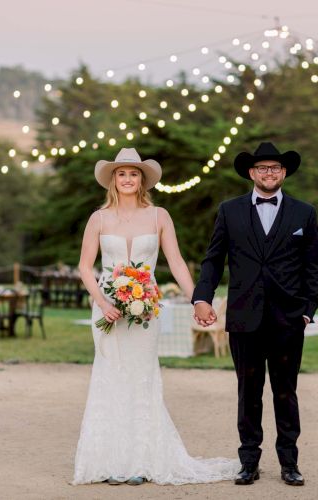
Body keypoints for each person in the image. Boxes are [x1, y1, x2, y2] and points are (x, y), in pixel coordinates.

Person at [73, 147, 239, 486]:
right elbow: (85, 267)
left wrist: (198, 300)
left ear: (143, 180)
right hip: (107, 311)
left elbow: (176, 262)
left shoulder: (159, 216)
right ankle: (111, 462)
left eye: (134, 174)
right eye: (122, 174)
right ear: (113, 180)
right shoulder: (99, 218)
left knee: (141, 378)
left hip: (146, 310)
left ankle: (140, 461)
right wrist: (103, 302)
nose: (128, 179)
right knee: (111, 376)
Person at [193, 142, 318, 486]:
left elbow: (312, 266)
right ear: (252, 173)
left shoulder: (303, 213)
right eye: (262, 168)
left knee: (286, 391)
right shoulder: (229, 210)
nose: (269, 173)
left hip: (288, 319)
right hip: (244, 316)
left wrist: (308, 310)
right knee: (248, 391)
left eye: (275, 168)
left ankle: (289, 463)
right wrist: (201, 298)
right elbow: (213, 259)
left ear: (284, 173)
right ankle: (248, 461)